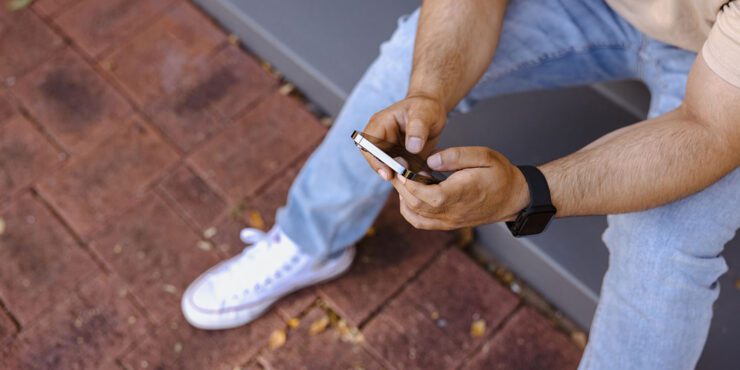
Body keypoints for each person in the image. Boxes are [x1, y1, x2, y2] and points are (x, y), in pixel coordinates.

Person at [181, 0, 740, 368]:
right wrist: (427, 92)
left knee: (662, 240)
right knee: (406, 70)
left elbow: (710, 128)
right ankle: (307, 239)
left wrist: (527, 193)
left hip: (725, 84)